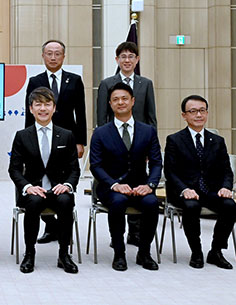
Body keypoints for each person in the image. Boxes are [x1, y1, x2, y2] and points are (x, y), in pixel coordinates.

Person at [90, 82, 162, 271]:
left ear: (133, 101)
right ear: (110, 104)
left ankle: (144, 253)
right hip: (110, 187)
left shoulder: (148, 131)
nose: (120, 102)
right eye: (115, 100)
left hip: (140, 186)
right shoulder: (100, 133)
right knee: (118, 201)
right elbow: (96, 166)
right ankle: (119, 253)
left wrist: (151, 185)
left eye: (124, 98)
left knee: (151, 203)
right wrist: (113, 184)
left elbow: (156, 162)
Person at [9, 87, 80, 274]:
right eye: (38, 104)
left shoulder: (66, 135)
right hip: (34, 190)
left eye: (47, 104)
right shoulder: (22, 136)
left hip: (58, 189)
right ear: (31, 108)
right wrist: (28, 187)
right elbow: (14, 169)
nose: (43, 108)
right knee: (33, 202)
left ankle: (64, 254)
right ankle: (29, 253)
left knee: (66, 201)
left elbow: (74, 169)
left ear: (54, 108)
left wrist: (67, 185)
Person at [164, 95, 236, 269]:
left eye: (202, 110)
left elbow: (227, 170)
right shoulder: (174, 140)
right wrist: (184, 189)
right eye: (193, 111)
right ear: (184, 115)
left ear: (207, 113)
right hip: (184, 191)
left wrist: (226, 187)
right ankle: (196, 252)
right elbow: (170, 171)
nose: (198, 115)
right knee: (191, 206)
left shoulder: (217, 141)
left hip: (211, 191)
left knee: (229, 205)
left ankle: (216, 251)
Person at [24, 40, 86, 244]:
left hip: (66, 140)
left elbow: (81, 113)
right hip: (41, 137)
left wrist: (80, 141)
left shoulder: (75, 80)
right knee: (41, 180)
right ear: (43, 55)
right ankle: (51, 227)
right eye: (49, 53)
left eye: (57, 53)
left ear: (64, 56)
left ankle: (63, 227)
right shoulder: (35, 81)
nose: (53, 57)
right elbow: (29, 114)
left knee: (61, 183)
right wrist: (28, 139)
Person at [96, 41, 157, 247]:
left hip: (140, 142)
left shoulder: (145, 84)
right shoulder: (107, 83)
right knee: (119, 194)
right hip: (114, 144)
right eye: (123, 56)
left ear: (137, 60)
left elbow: (151, 116)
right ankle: (119, 238)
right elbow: (102, 118)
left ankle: (136, 233)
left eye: (131, 56)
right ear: (117, 60)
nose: (127, 60)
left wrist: (150, 145)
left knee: (138, 183)